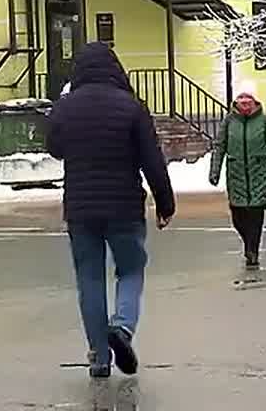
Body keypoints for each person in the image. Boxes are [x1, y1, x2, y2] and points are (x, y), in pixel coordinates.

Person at [46, 42, 175, 379]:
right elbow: (152, 159)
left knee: (89, 279)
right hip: (125, 207)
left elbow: (55, 149)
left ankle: (98, 358)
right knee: (131, 270)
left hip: (80, 207)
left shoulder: (65, 107)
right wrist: (165, 202)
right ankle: (122, 327)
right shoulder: (131, 107)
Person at [209, 81, 266, 269]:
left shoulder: (264, 122)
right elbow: (220, 146)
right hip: (237, 175)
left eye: (248, 98)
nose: (244, 101)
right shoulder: (229, 121)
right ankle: (248, 243)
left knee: (256, 215)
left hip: (259, 174)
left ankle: (253, 251)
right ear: (236, 101)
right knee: (238, 216)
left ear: (254, 101)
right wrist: (215, 170)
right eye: (241, 98)